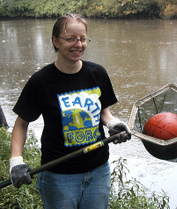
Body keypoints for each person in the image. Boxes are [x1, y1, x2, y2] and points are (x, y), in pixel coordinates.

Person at [9, 13, 131, 209]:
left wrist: (112, 123)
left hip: (99, 170)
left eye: (83, 39)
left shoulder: (97, 73)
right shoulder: (41, 81)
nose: (78, 44)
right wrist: (16, 160)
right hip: (59, 176)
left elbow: (103, 111)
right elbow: (21, 123)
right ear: (55, 41)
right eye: (70, 39)